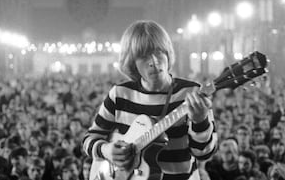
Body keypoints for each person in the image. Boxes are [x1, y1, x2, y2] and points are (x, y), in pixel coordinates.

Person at [82, 20, 217, 180]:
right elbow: (90, 138)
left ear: (167, 53)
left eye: (159, 52)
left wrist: (200, 121)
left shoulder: (191, 93)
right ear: (132, 63)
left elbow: (204, 153)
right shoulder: (120, 94)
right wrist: (105, 150)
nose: (154, 61)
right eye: (144, 56)